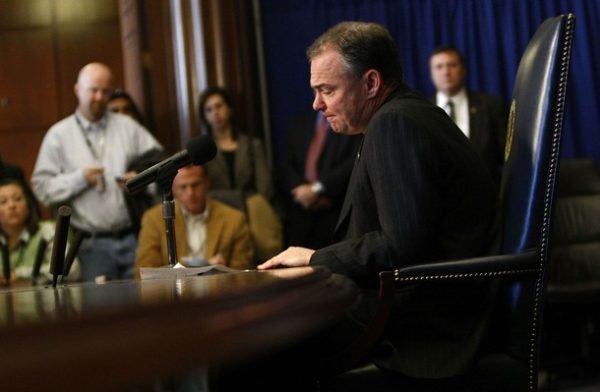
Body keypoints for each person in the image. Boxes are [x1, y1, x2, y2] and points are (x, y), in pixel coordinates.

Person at [249, 21, 498, 385]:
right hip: (411, 308)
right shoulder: (403, 115)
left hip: (421, 330)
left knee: (255, 349)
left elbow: (402, 245)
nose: (316, 104)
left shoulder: (395, 124)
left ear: (370, 83)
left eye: (327, 90)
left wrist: (315, 258)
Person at [31, 62, 163, 282]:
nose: (99, 97)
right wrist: (80, 179)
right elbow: (41, 188)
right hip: (90, 246)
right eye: (93, 90)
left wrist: (139, 179)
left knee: (141, 310)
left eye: (106, 91)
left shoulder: (127, 126)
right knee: (101, 311)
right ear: (78, 90)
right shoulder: (58, 135)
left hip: (133, 237)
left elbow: (159, 163)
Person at [199, 86, 282, 261]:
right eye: (209, 109)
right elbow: (202, 190)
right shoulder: (202, 151)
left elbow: (266, 188)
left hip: (254, 216)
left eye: (219, 106)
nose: (216, 113)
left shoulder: (252, 145)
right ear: (204, 117)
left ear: (229, 109)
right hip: (218, 217)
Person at [134, 164, 254, 276]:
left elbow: (242, 272)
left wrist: (222, 272)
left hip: (219, 292)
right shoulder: (154, 219)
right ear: (173, 189)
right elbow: (144, 271)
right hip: (173, 295)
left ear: (207, 183)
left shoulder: (234, 219)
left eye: (196, 185)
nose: (190, 193)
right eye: (183, 187)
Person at [429, 45, 508, 184]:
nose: (446, 72)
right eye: (439, 67)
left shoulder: (490, 106)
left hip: (485, 196)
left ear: (463, 70)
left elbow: (508, 157)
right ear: (431, 73)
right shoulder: (423, 110)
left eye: (452, 65)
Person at [282, 110, 360, 249]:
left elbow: (352, 163)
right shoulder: (301, 123)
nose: (317, 102)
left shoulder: (350, 122)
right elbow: (287, 164)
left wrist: (316, 189)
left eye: (326, 90)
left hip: (335, 210)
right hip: (301, 214)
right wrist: (301, 192)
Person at [0, 179, 79, 285]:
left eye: (18, 199)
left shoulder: (49, 231)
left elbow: (71, 271)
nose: (12, 206)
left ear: (28, 205)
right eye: (3, 201)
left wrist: (18, 274)